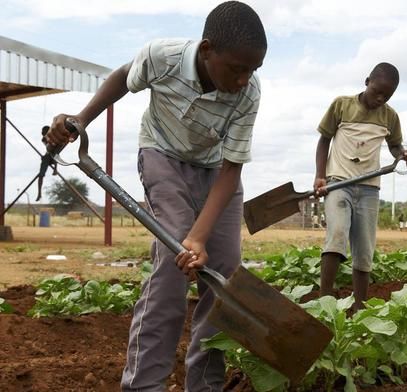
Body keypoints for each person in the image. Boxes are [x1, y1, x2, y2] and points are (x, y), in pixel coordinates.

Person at [46, 2, 267, 391]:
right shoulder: (162, 56)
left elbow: (232, 170)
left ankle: (204, 383)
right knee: (173, 256)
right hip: (162, 155)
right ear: (206, 50)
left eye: (252, 71)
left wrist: (201, 237)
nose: (243, 80)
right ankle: (144, 383)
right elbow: (122, 78)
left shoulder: (248, 93)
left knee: (224, 271)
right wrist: (81, 120)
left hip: (218, 172)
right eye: (236, 69)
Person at [314, 62, 407, 312]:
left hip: (369, 188)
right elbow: (324, 140)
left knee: (364, 249)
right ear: (367, 81)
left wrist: (404, 155)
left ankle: (359, 309)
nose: (380, 99)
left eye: (387, 95)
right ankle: (323, 302)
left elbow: (394, 146)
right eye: (377, 92)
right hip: (339, 182)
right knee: (337, 234)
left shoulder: (390, 116)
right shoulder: (342, 105)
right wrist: (320, 176)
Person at [36, 126, 57, 202]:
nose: (42, 133)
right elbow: (49, 147)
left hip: (54, 156)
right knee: (40, 175)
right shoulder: (44, 139)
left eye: (43, 131)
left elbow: (54, 148)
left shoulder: (55, 137)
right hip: (48, 156)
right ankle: (39, 193)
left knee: (55, 155)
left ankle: (55, 169)